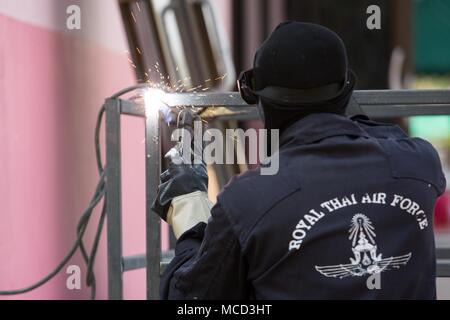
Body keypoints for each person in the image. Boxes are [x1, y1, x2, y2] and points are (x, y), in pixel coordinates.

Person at [152, 21, 446, 299]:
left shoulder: (246, 200)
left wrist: (190, 209)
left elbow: (189, 300)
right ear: (345, 91)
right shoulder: (418, 163)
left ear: (262, 106)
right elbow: (384, 136)